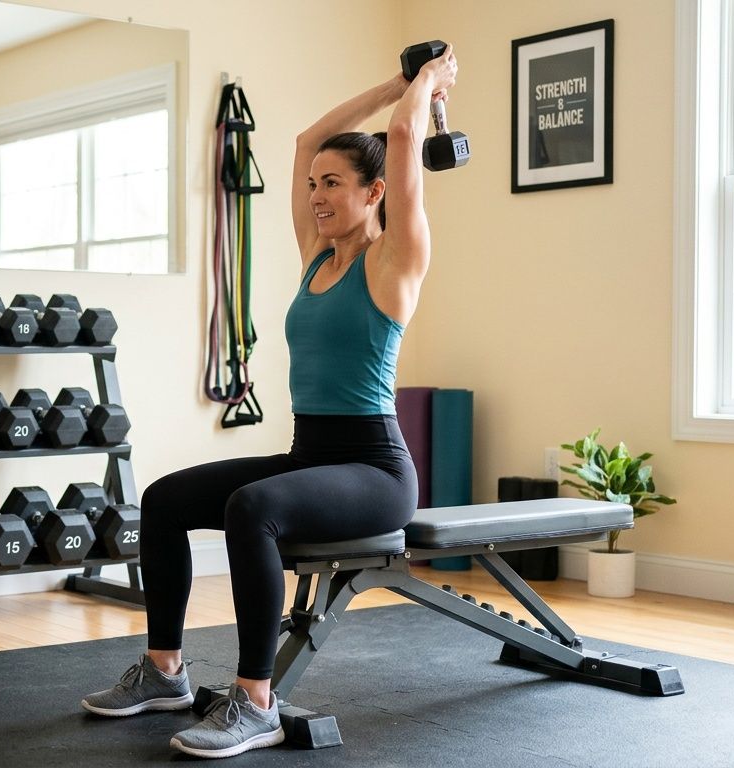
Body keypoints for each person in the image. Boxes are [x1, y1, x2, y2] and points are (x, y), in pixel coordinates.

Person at [79, 45, 458, 759]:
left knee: (252, 509)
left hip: (375, 472)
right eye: (315, 185)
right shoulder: (317, 254)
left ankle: (255, 699)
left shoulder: (394, 260)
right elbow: (303, 141)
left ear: (375, 194)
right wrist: (399, 82)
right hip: (310, 454)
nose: (317, 194)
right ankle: (165, 672)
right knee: (163, 499)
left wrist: (430, 85)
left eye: (335, 184)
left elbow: (405, 137)